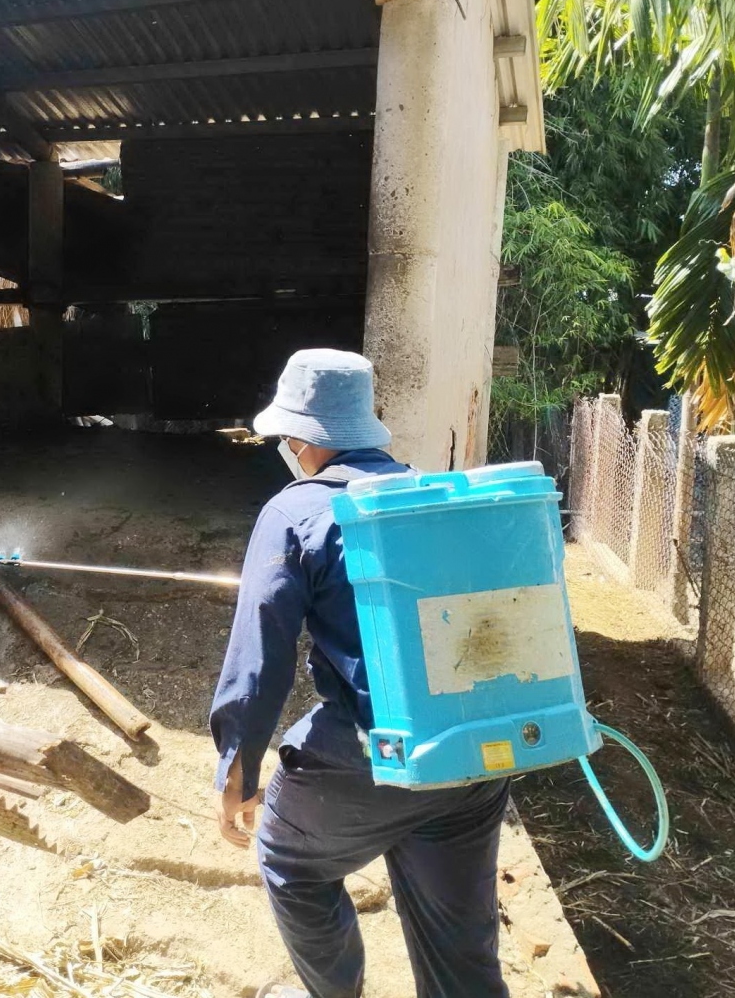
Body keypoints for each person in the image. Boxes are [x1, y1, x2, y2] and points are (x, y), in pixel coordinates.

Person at [209, 349, 510, 998]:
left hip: (378, 752)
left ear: (300, 438)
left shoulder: (293, 514)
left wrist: (238, 769)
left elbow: (259, 658)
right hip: (474, 756)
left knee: (289, 859)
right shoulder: (433, 495)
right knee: (460, 950)